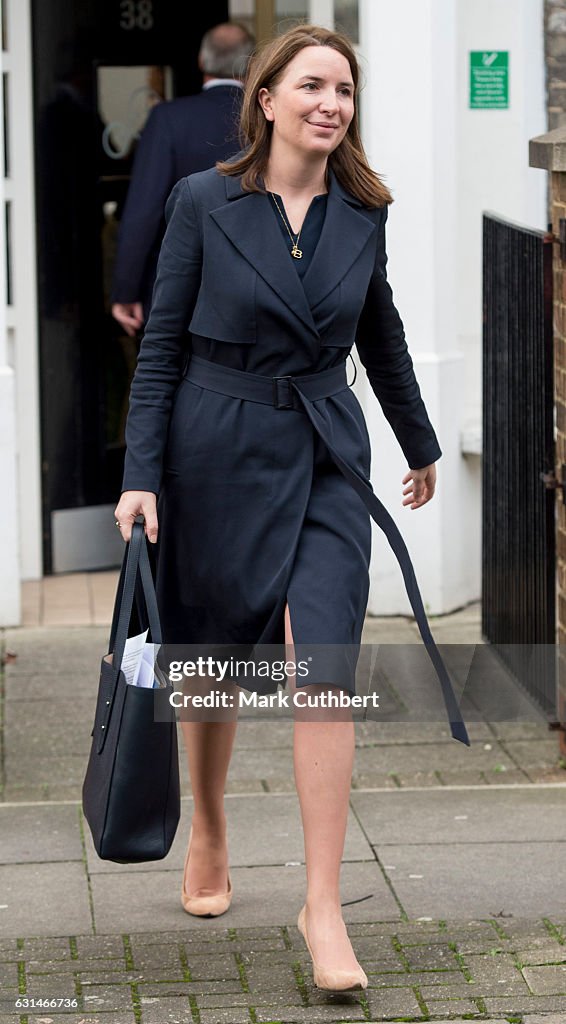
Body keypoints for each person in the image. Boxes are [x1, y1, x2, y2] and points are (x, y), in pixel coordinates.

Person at [114, 24, 470, 994]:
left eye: (343, 91)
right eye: (311, 85)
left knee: (323, 665)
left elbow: (380, 331)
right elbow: (162, 349)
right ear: (264, 99)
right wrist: (140, 472)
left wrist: (420, 441)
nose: (329, 103)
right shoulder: (203, 202)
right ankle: (212, 822)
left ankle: (321, 903)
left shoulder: (362, 211)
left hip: (322, 453)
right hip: (212, 449)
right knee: (214, 658)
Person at [111, 21, 255, 335]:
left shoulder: (168, 119)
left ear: (201, 62)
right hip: (258, 287)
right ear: (250, 65)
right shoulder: (265, 118)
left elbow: (143, 211)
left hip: (179, 290)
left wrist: (126, 290)